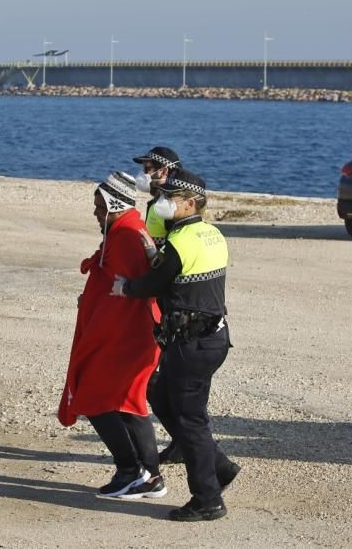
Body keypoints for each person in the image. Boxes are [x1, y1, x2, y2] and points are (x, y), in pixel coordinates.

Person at [111, 169, 241, 522]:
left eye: (170, 197)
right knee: (160, 395)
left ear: (189, 203)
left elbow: (152, 283)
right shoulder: (212, 234)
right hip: (212, 338)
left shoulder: (179, 243)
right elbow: (176, 271)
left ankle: (207, 499)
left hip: (192, 344)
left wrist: (124, 287)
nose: (164, 201)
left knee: (191, 422)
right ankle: (220, 466)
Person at [58, 171, 166, 499]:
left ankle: (134, 472)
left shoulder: (128, 236)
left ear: (114, 204)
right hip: (123, 336)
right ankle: (145, 475)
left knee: (99, 398)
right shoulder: (123, 231)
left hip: (125, 338)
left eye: (99, 207)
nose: (95, 214)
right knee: (125, 402)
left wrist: (98, 333)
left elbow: (132, 293)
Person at [132, 145, 185, 465]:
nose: (145, 173)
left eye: (151, 167)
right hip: (157, 294)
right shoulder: (157, 203)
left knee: (161, 377)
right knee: (160, 377)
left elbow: (172, 252)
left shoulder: (170, 207)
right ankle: (181, 438)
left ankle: (185, 439)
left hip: (167, 299)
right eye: (145, 167)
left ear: (167, 171)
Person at [132, 146, 182, 247]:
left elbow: (177, 246)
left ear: (163, 172)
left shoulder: (170, 206)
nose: (143, 174)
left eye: (147, 169)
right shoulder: (159, 201)